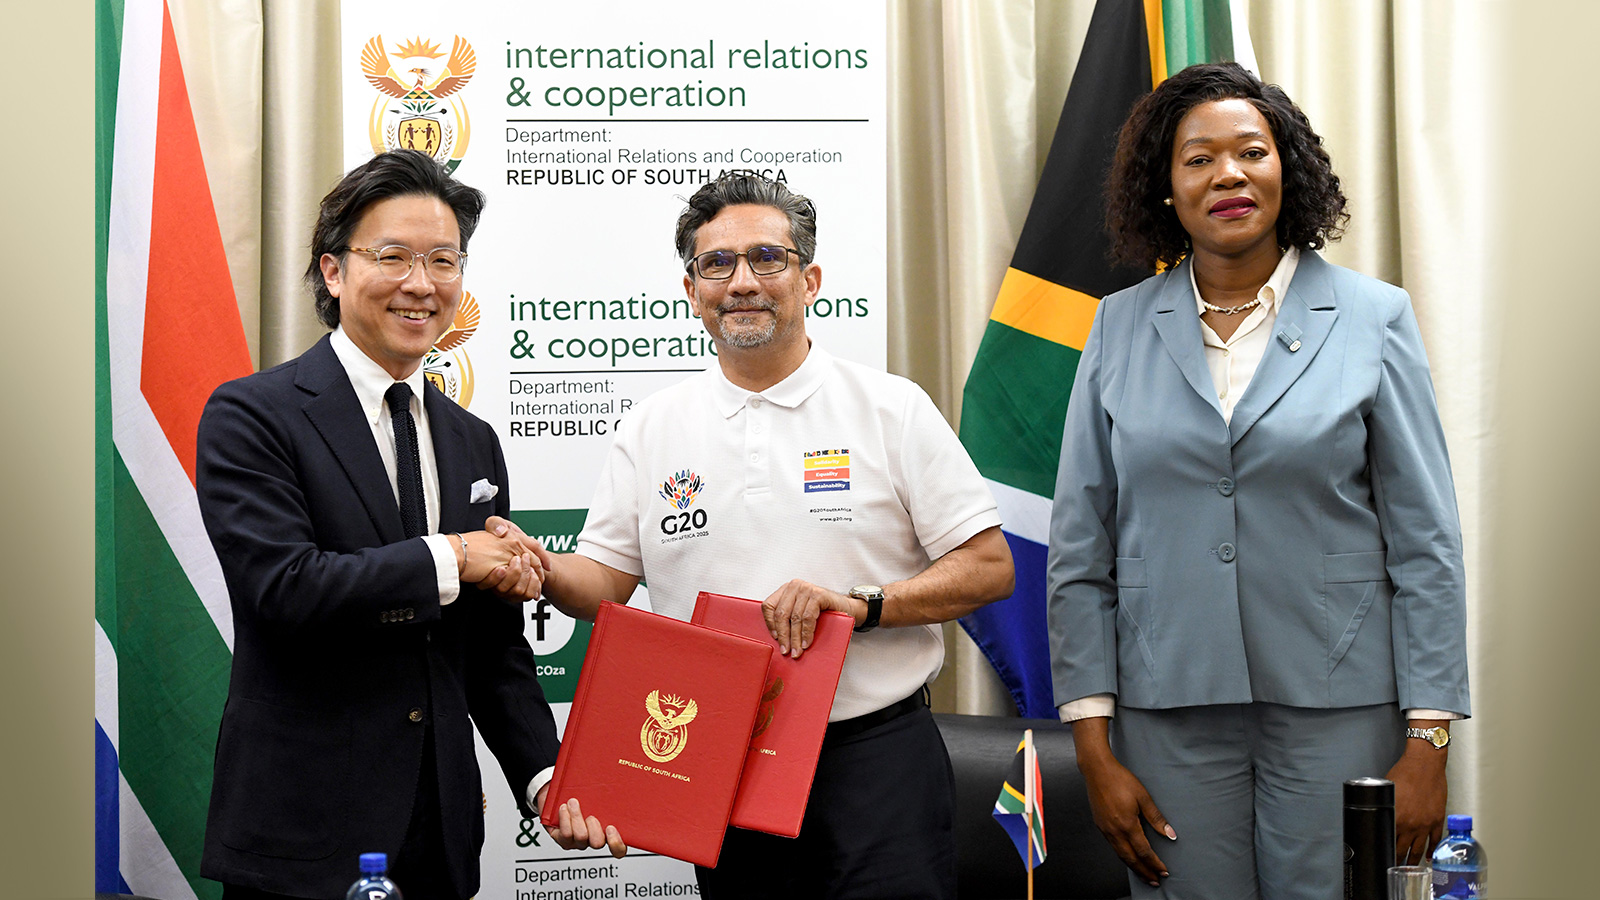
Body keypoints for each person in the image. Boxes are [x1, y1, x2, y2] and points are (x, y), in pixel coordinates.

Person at [1046, 63, 1470, 900]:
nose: (1228, 174)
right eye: (1198, 159)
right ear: (1165, 189)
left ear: (1289, 170)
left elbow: (1427, 542)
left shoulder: (1373, 315)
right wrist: (1092, 745)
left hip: (1341, 704)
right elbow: (1078, 544)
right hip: (1166, 706)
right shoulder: (1118, 324)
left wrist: (1430, 741)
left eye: (1251, 152)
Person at [530, 173, 1015, 898]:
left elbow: (989, 569)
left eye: (767, 258)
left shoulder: (891, 408)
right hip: (716, 758)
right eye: (717, 263)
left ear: (810, 278)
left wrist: (865, 606)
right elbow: (602, 585)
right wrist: (541, 568)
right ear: (692, 289)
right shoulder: (652, 426)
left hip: (875, 756)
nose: (743, 282)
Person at [196, 150, 565, 900]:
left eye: (443, 260)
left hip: (440, 833)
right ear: (333, 272)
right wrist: (455, 555)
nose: (421, 284)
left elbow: (492, 648)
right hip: (303, 832)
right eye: (392, 256)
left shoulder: (473, 440)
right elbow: (287, 589)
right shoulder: (250, 415)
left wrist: (545, 776)